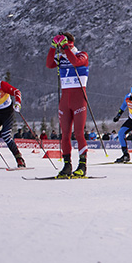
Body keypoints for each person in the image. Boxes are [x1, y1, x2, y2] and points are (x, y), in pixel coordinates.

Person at [46, 32, 89, 178]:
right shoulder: (61, 57)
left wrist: (65, 47)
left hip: (79, 99)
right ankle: (67, 165)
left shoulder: (82, 55)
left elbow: (76, 63)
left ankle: (82, 165)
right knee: (64, 134)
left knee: (78, 133)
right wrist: (53, 48)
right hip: (65, 100)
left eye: (65, 43)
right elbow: (49, 64)